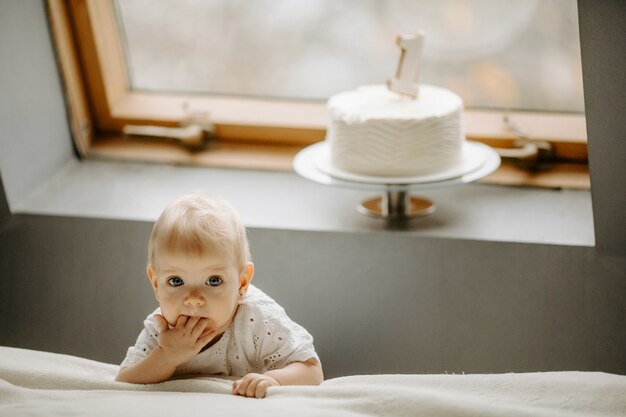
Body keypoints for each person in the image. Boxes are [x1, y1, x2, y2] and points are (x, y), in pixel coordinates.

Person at [115, 193, 323, 398]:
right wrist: (167, 356)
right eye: (176, 281)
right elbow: (124, 381)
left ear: (242, 283)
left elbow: (312, 370)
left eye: (213, 280)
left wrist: (275, 379)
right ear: (156, 284)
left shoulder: (258, 318)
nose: (193, 299)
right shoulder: (161, 330)